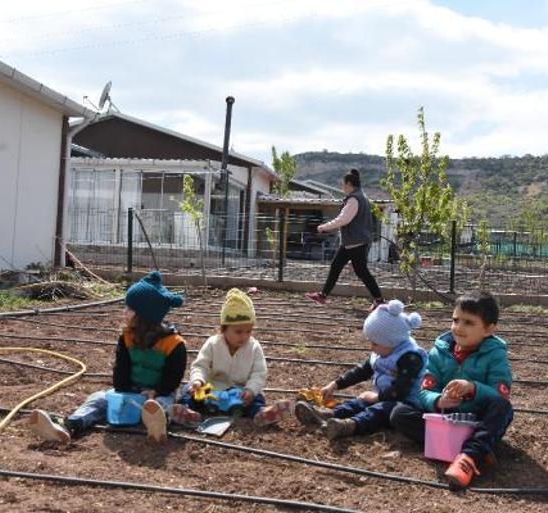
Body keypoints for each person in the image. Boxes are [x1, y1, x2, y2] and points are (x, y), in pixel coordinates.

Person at [28, 271, 193, 444]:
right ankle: (70, 425)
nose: (125, 312)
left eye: (130, 309)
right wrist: (125, 389)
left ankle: (158, 426)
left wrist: (156, 391)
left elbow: (173, 377)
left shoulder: (174, 344)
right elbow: (121, 368)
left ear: (145, 315)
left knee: (161, 404)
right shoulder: (127, 337)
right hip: (131, 391)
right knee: (99, 398)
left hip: (159, 392)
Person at [389, 291, 513, 489]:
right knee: (400, 413)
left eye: (469, 323)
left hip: (476, 419)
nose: (458, 327)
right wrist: (438, 400)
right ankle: (477, 448)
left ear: (489, 329)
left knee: (503, 408)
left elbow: (500, 394)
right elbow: (424, 391)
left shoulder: (495, 356)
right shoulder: (440, 351)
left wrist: (473, 388)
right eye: (455, 320)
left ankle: (468, 457)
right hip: (445, 418)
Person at [294, 299, 426, 440]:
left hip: (405, 404)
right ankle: (330, 414)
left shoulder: (411, 357)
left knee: (378, 410)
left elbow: (400, 390)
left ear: (392, 342)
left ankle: (350, 425)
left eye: (375, 343)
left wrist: (376, 397)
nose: (371, 347)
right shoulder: (384, 350)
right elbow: (362, 371)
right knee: (358, 402)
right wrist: (336, 384)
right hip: (385, 396)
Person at [177, 288, 292, 427]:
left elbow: (259, 373)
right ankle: (186, 412)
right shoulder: (213, 343)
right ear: (224, 328)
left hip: (240, 394)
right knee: (189, 390)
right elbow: (201, 365)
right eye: (238, 332)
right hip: (213, 391)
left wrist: (250, 390)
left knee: (257, 397)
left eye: (248, 331)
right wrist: (198, 381)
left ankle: (261, 414)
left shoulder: (254, 347)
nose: (244, 336)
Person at [305, 168, 384, 310]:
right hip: (352, 242)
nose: (342, 187)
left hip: (356, 242)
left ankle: (379, 300)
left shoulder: (354, 199)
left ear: (349, 183)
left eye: (343, 184)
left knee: (361, 271)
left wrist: (324, 227)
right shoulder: (362, 197)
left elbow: (344, 219)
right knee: (337, 266)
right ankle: (323, 295)